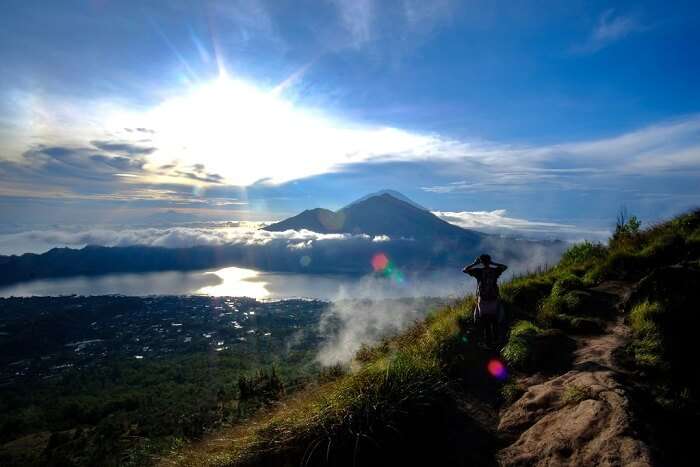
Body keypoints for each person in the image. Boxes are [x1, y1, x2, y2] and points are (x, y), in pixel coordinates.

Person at [463, 254, 508, 346]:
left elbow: (465, 270)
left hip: (483, 300)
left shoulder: (478, 271)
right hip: (494, 298)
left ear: (481, 262)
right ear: (489, 261)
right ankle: (496, 340)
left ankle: (488, 343)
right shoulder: (494, 271)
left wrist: (474, 263)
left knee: (485, 321)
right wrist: (493, 263)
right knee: (494, 320)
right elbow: (505, 267)